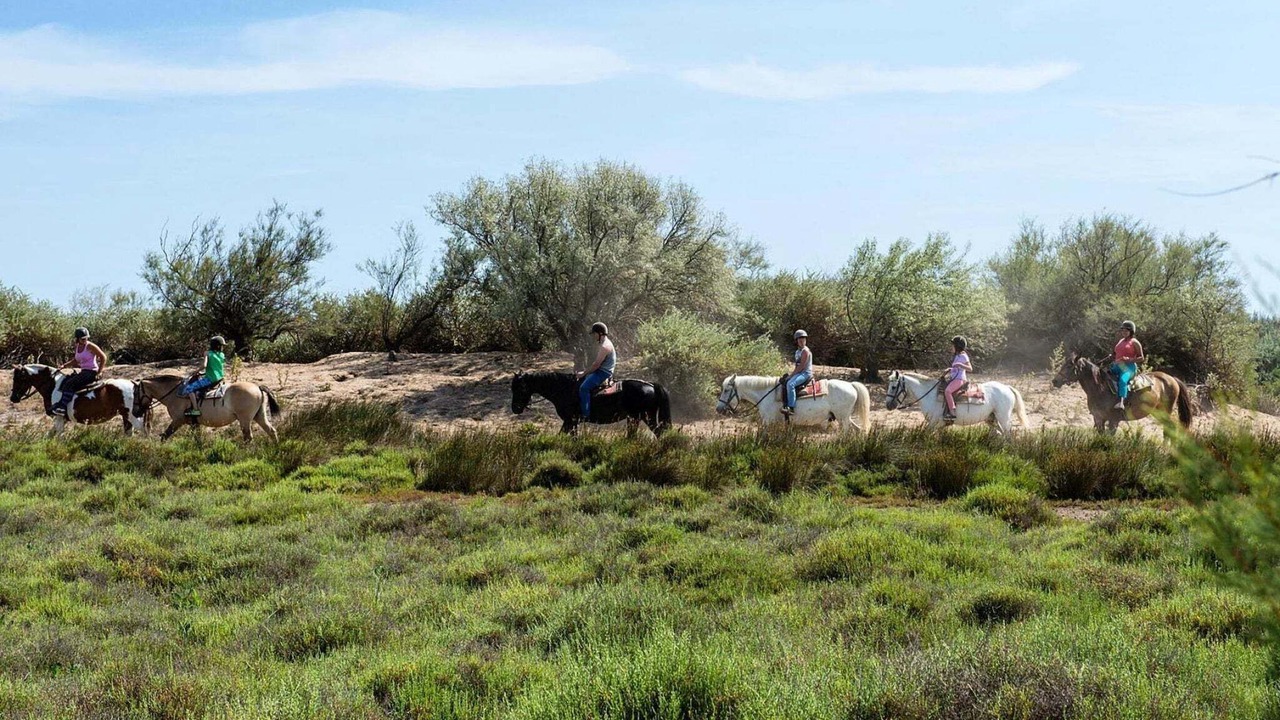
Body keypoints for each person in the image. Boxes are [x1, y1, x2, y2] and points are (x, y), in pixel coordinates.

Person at [51, 327, 108, 417]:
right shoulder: (77, 347)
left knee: (70, 383)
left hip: (91, 371)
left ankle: (62, 407)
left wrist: (99, 371)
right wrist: (64, 366)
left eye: (86, 338)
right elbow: (76, 360)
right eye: (83, 339)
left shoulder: (90, 346)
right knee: (65, 380)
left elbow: (103, 357)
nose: (85, 340)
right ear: (78, 339)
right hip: (83, 371)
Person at [178, 336, 227, 417]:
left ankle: (195, 410)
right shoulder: (222, 355)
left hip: (210, 379)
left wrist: (195, 371)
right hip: (220, 378)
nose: (222, 347)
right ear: (218, 346)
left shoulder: (207, 353)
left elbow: (204, 365)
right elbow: (216, 367)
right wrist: (203, 373)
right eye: (222, 345)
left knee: (189, 388)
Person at [576, 322, 616, 421]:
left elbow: (596, 365)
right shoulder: (605, 343)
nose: (594, 336)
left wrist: (583, 373)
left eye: (594, 334)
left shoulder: (604, 347)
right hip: (603, 370)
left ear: (600, 333)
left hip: (603, 372)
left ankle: (586, 415)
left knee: (583, 388)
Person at [1102, 320, 1144, 410]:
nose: (1124, 332)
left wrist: (1130, 359)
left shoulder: (1135, 342)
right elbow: (1116, 353)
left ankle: (1121, 402)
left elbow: (1141, 357)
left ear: (1131, 331)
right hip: (1118, 365)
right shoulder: (1121, 341)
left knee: (1122, 380)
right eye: (1122, 330)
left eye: (1126, 331)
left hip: (1129, 367)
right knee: (1104, 374)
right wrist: (1112, 355)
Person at [782, 329, 813, 416]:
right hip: (800, 373)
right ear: (797, 341)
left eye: (803, 339)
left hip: (806, 373)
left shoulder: (805, 351)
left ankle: (791, 408)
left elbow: (801, 366)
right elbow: (797, 366)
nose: (802, 341)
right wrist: (790, 374)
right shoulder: (797, 352)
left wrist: (791, 376)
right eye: (800, 340)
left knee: (790, 384)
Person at [942, 335, 973, 420]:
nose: (951, 347)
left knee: (947, 391)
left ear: (957, 346)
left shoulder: (963, 356)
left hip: (960, 379)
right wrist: (950, 369)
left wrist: (960, 365)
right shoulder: (957, 356)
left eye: (953, 345)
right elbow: (956, 369)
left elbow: (970, 368)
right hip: (954, 378)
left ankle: (952, 412)